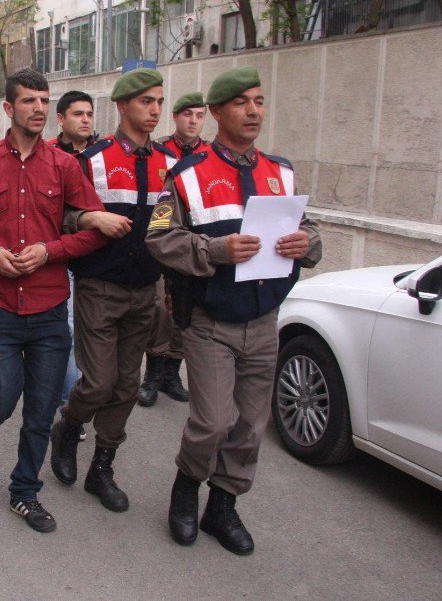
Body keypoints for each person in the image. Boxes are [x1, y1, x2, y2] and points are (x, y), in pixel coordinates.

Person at [145, 65, 321, 556]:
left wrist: (307, 243)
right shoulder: (182, 175)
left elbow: (311, 233)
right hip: (210, 323)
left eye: (260, 101)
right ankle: (185, 491)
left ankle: (222, 506)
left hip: (264, 322)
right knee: (213, 421)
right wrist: (216, 251)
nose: (254, 111)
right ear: (218, 112)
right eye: (242, 102)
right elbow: (158, 237)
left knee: (249, 425)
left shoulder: (280, 171)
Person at [0, 68, 113, 534]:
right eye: (29, 101)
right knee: (0, 399)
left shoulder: (65, 166)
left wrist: (50, 251)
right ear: (9, 108)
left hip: (48, 307)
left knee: (41, 411)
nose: (40, 109)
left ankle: (24, 492)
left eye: (45, 100)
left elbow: (93, 227)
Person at [50, 68, 169, 513]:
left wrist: (169, 284)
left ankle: (102, 466)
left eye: (159, 101)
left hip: (146, 288)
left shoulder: (169, 164)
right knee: (98, 383)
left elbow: (169, 227)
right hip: (99, 285)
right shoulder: (93, 159)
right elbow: (60, 217)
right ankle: (67, 425)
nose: (155, 110)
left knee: (126, 385)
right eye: (145, 102)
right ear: (122, 107)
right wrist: (89, 219)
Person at [139, 91, 208, 408]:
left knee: (185, 312)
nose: (193, 121)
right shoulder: (158, 151)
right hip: (163, 239)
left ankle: (171, 374)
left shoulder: (210, 155)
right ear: (176, 117)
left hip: (196, 244)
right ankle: (152, 375)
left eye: (199, 115)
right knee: (159, 311)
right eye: (187, 114)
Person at [49, 90, 99, 436]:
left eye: (89, 114)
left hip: (98, 259)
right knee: (66, 330)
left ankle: (86, 394)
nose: (85, 120)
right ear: (62, 119)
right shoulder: (48, 155)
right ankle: (69, 405)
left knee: (89, 333)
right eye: (78, 114)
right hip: (64, 255)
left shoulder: (103, 156)